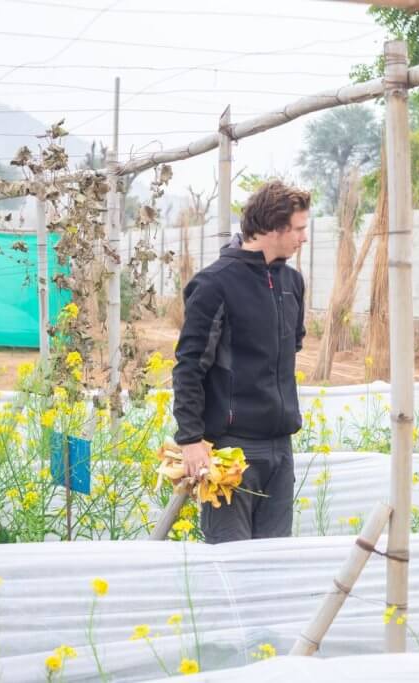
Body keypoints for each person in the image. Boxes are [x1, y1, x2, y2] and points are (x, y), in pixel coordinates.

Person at [172, 180, 310, 543]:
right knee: (229, 564)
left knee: (274, 566)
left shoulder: (292, 282)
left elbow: (290, 348)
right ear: (274, 228)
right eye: (299, 229)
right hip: (233, 449)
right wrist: (190, 439)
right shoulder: (215, 283)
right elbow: (189, 365)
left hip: (280, 449)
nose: (304, 238)